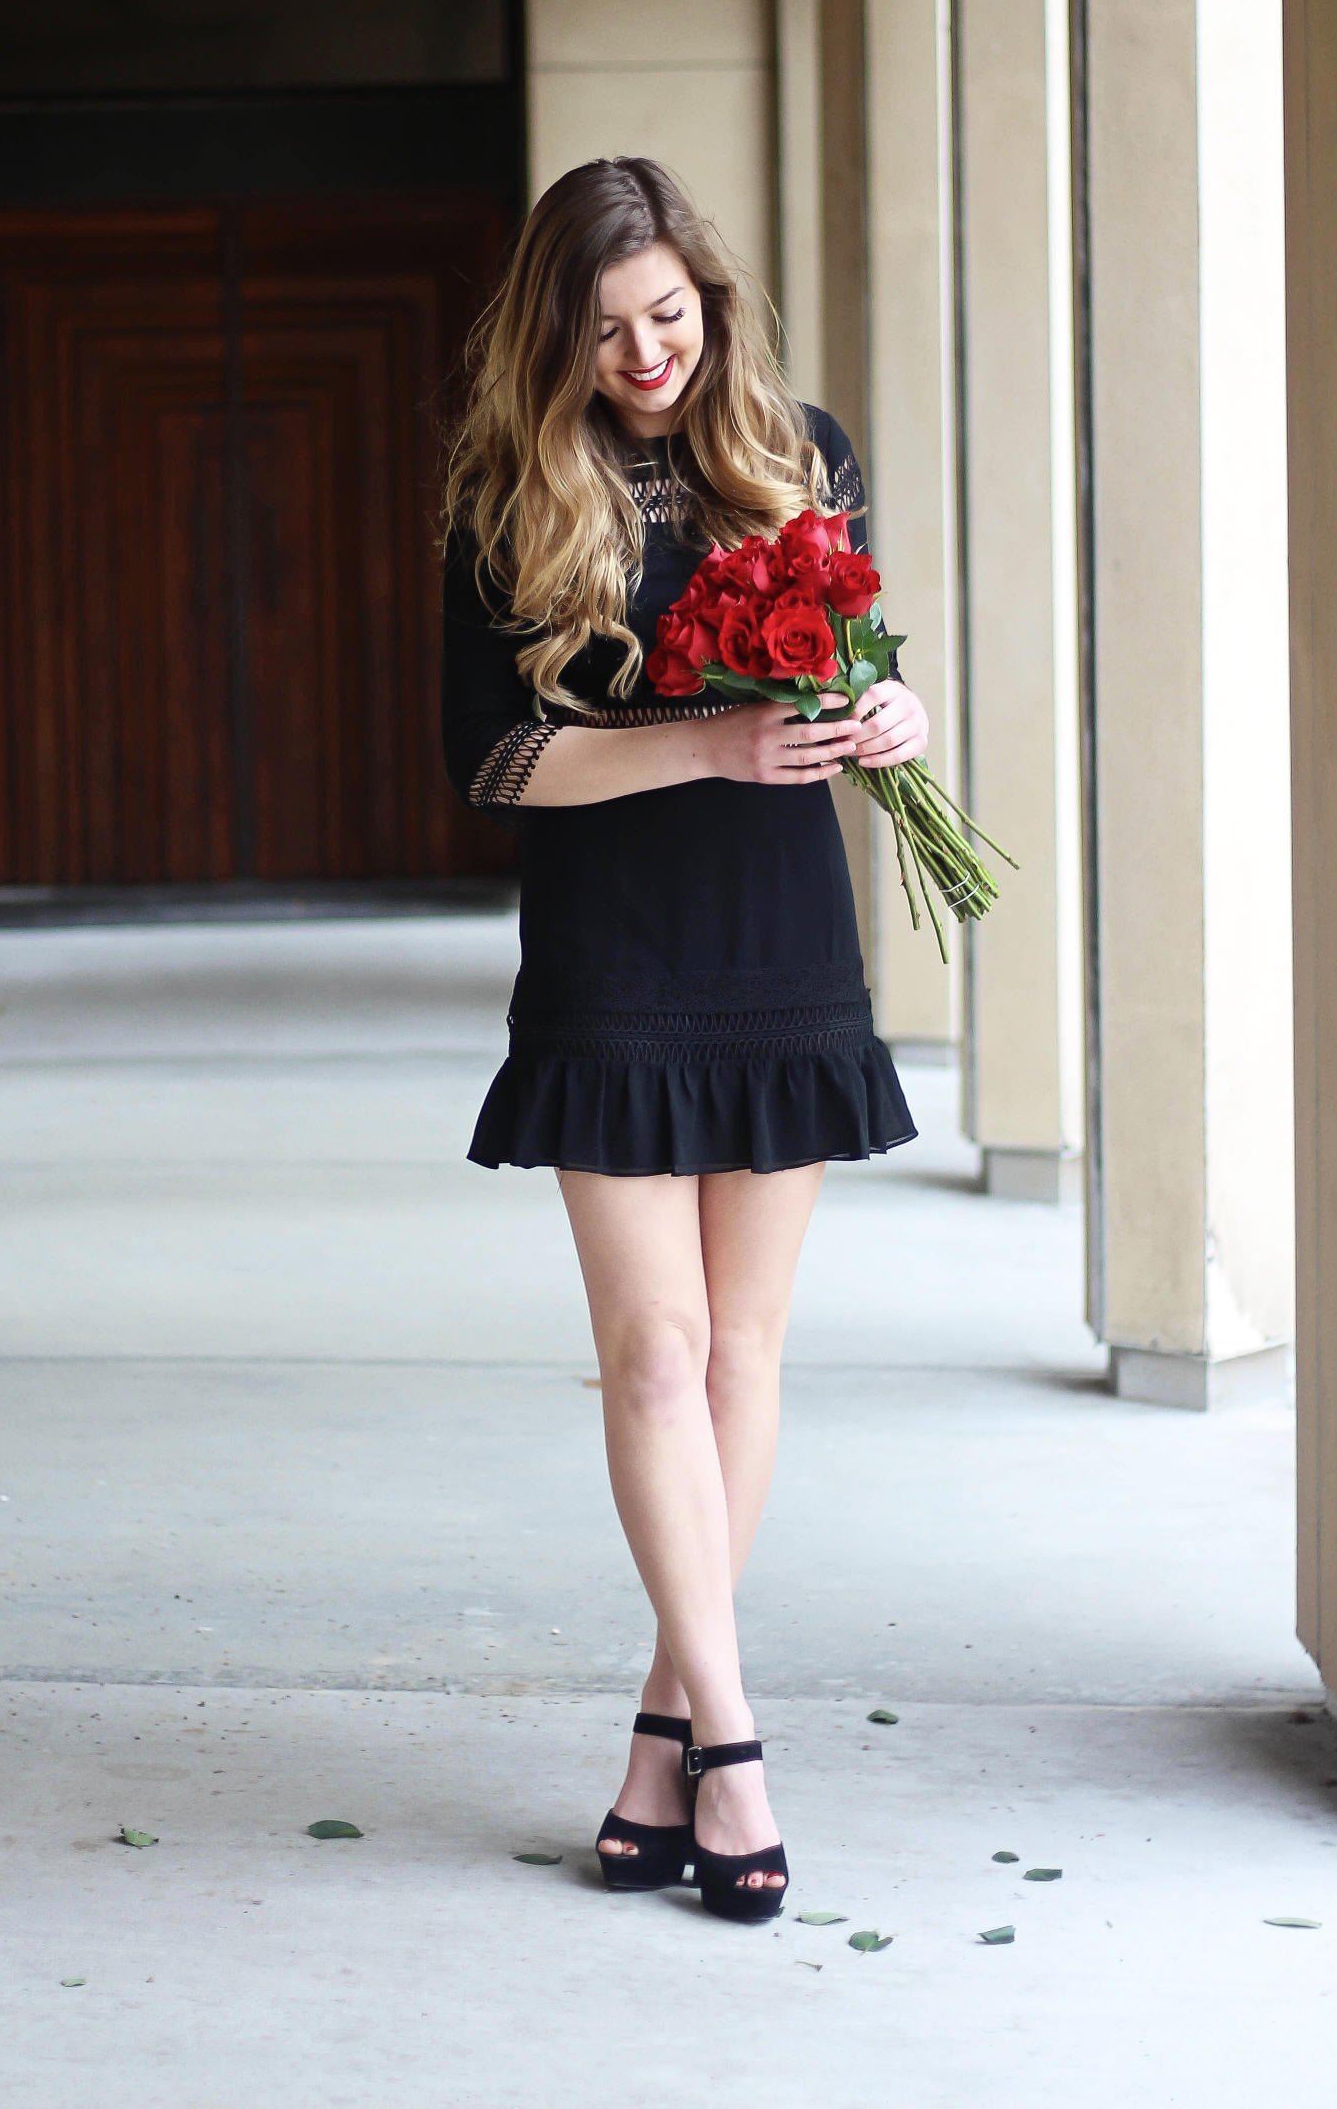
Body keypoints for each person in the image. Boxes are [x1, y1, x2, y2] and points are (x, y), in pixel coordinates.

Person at [440, 157, 925, 1923]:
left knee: (740, 1355)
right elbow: (491, 761)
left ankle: (661, 1741)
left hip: (781, 936)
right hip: (615, 956)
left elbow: (864, 656)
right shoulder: (508, 492)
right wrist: (699, 747)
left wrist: (896, 708)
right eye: (605, 329)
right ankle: (734, 1741)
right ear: (555, 337)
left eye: (669, 315)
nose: (646, 353)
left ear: (710, 300)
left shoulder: (806, 450)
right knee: (649, 1357)